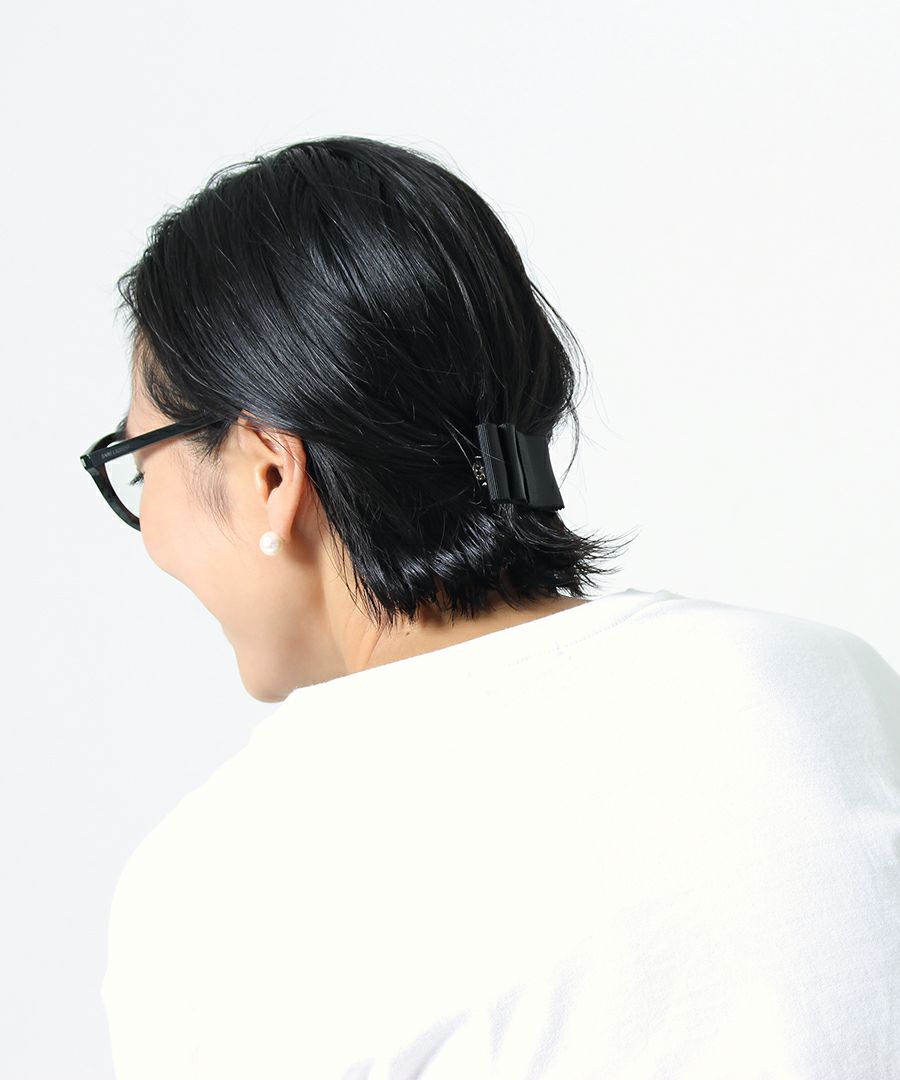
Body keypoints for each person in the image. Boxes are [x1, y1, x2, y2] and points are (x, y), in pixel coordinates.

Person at [85, 136, 900, 1078]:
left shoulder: (230, 875)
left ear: (270, 473)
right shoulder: (824, 683)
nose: (149, 531)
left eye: (139, 466)